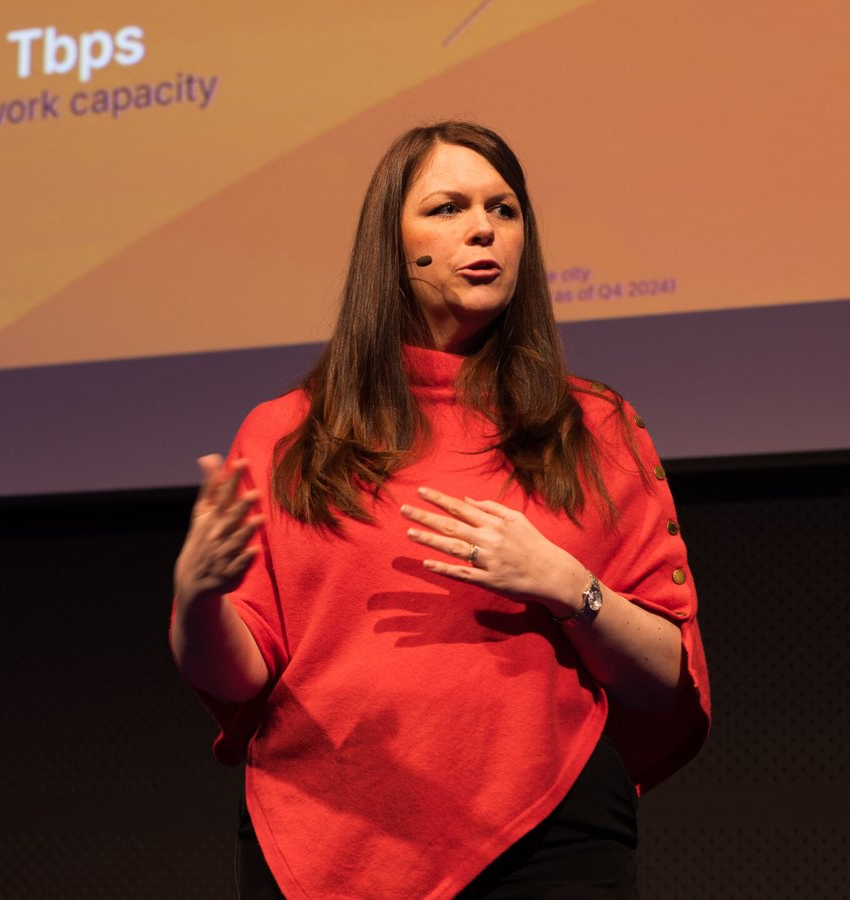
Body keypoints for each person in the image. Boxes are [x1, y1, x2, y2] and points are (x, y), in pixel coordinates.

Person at [170, 121, 711, 898]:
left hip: (546, 835)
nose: (483, 228)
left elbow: (666, 677)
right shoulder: (289, 434)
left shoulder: (594, 427)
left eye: (504, 209)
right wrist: (198, 599)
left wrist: (569, 586)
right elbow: (236, 676)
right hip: (329, 834)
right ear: (391, 246)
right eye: (448, 208)